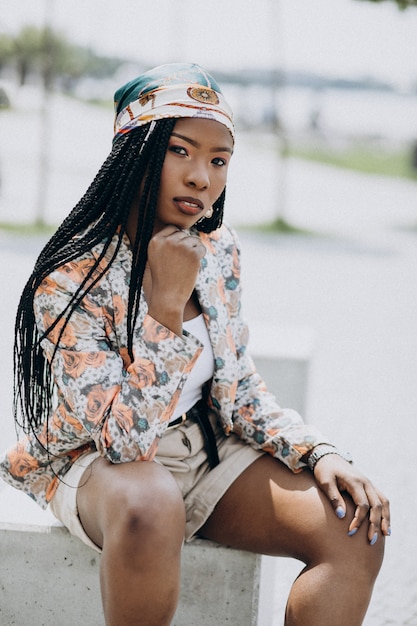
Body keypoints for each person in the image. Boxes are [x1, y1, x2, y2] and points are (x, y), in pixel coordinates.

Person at [0, 63, 390, 626]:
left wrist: (316, 451)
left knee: (354, 527)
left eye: (218, 160)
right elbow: (123, 445)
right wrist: (164, 308)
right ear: (134, 154)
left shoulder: (218, 249)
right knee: (149, 501)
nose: (200, 178)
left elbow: (239, 384)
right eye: (180, 151)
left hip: (204, 449)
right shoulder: (69, 279)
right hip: (100, 467)